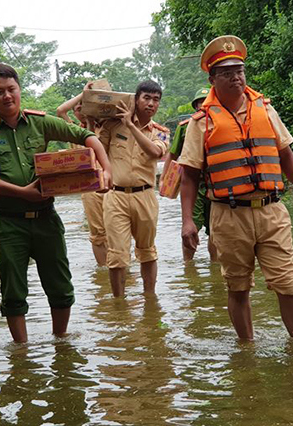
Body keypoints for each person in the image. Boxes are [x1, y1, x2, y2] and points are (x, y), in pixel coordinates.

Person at [178, 36, 293, 340]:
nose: (236, 77)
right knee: (238, 286)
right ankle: (247, 349)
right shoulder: (201, 122)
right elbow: (188, 174)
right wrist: (188, 220)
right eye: (227, 72)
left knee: (288, 284)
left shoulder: (265, 110)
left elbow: (286, 155)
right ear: (212, 79)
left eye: (240, 70)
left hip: (272, 210)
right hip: (228, 215)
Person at [0, 63, 113, 343]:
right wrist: (22, 192)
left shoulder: (40, 122)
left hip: (46, 218)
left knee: (60, 286)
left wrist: (106, 170)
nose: (7, 96)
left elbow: (87, 136)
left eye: (11, 89)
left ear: (19, 90)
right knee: (12, 291)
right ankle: (21, 352)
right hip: (8, 224)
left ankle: (61, 343)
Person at [98, 80, 169, 297]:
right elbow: (96, 149)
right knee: (117, 255)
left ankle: (150, 299)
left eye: (155, 100)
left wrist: (130, 126)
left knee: (147, 251)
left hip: (145, 195)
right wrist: (96, 120)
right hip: (116, 196)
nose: (151, 104)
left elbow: (155, 153)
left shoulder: (160, 132)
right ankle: (119, 305)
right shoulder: (112, 126)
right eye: (146, 98)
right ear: (135, 100)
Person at [56, 83, 109, 266]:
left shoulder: (108, 127)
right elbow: (61, 110)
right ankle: (103, 271)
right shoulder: (75, 132)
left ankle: (121, 269)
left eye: (85, 106)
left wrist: (94, 99)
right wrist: (84, 94)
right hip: (90, 189)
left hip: (111, 185)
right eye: (79, 108)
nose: (81, 110)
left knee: (118, 229)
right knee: (98, 234)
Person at [163, 87, 217, 262]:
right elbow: (173, 154)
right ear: (195, 106)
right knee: (189, 227)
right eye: (200, 103)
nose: (203, 106)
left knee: (215, 231)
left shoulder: (223, 124)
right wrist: (165, 181)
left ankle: (215, 267)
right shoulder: (186, 127)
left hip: (218, 186)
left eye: (206, 101)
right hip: (194, 186)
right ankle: (188, 266)